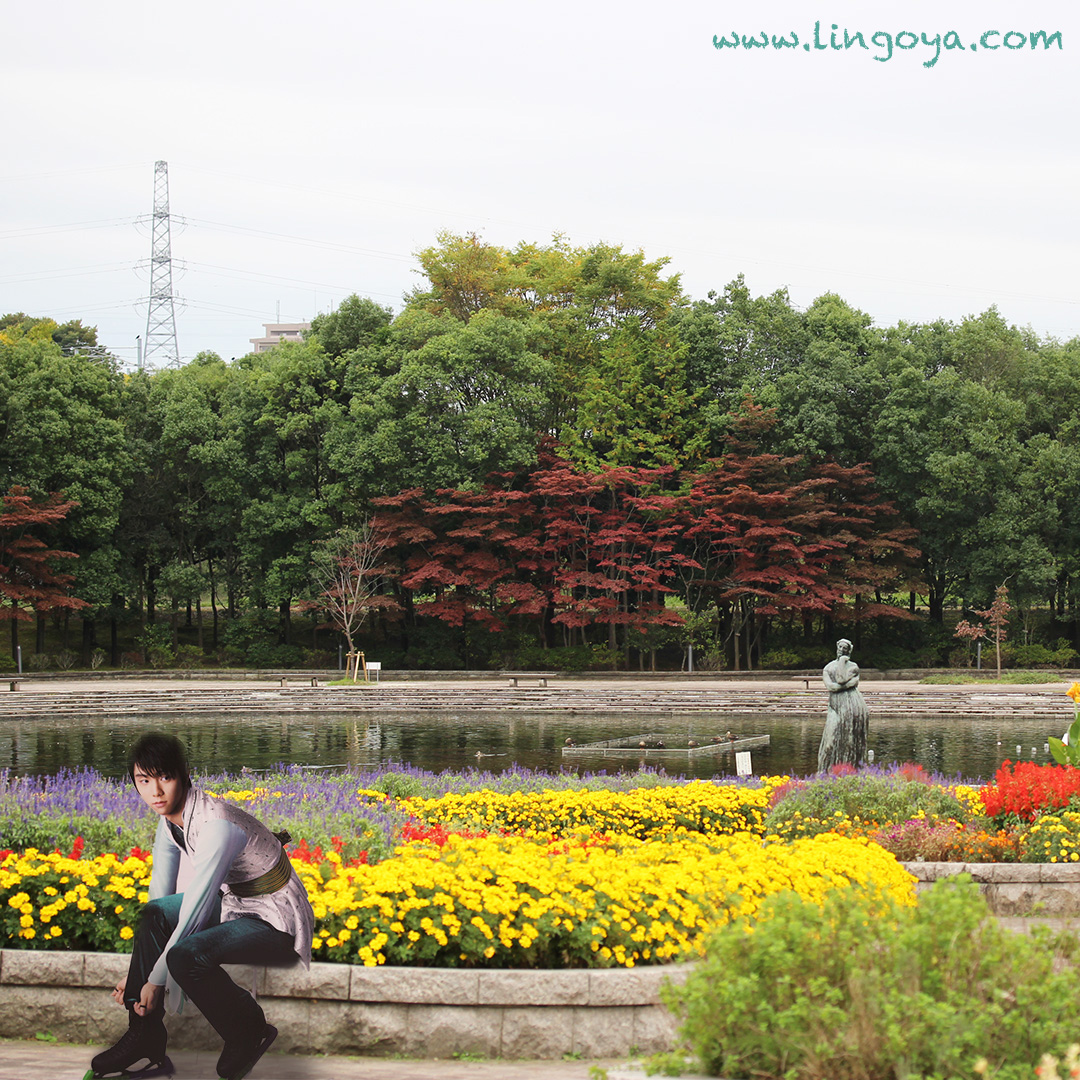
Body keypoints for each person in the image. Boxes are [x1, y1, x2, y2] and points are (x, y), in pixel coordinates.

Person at [87, 733, 314, 1080]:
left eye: (165, 778)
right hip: (234, 902)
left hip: (274, 915)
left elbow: (195, 910)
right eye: (143, 781)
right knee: (154, 914)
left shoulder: (217, 826)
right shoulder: (169, 821)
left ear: (184, 774)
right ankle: (145, 1036)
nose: (155, 792)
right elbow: (159, 897)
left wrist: (155, 980)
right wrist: (139, 977)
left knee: (185, 956)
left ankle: (249, 1028)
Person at [817, 638, 870, 772]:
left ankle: (851, 771)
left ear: (849, 651)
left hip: (854, 706)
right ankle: (825, 771)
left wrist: (842, 662)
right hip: (836, 706)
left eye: (845, 648)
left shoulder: (853, 667)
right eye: (840, 647)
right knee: (830, 742)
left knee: (851, 743)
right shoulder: (828, 668)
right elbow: (832, 687)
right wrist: (847, 685)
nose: (841, 650)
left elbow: (840, 680)